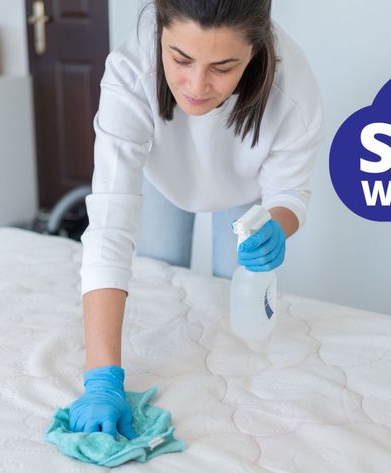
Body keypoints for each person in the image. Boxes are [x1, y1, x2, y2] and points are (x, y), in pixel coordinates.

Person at [69, 0, 323, 439]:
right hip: (163, 176)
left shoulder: (292, 87)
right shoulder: (132, 70)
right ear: (161, 34)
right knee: (159, 280)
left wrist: (278, 225)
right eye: (180, 59)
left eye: (223, 67)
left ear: (256, 51)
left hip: (246, 192)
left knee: (237, 311)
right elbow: (110, 223)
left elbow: (289, 193)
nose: (197, 85)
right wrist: (101, 377)